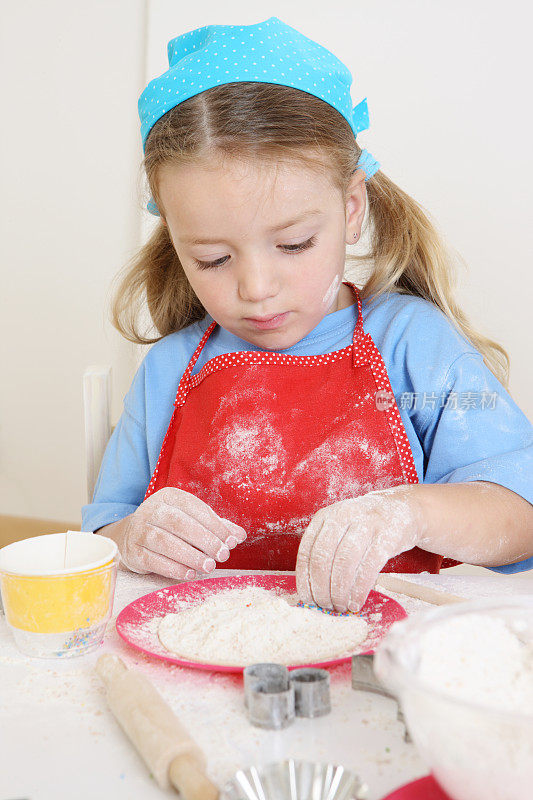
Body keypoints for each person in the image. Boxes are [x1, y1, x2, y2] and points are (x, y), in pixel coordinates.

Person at [82, 16, 533, 612]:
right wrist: (132, 537)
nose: (258, 288)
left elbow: (519, 512)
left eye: (293, 245)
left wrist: (409, 512)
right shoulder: (168, 371)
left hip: (387, 669)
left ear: (350, 209)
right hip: (203, 663)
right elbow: (102, 535)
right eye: (213, 258)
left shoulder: (415, 347)